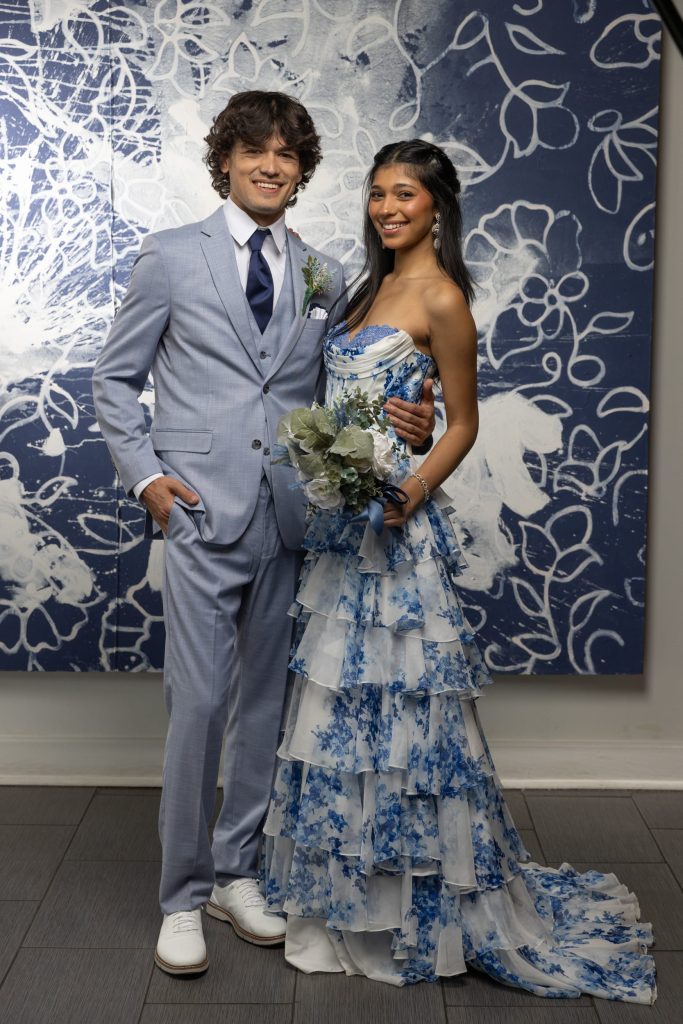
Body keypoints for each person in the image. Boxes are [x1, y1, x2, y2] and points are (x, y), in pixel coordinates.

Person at [262, 139, 657, 1003]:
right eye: (375, 194)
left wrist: (409, 484)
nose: (386, 207)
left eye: (402, 194)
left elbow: (462, 422)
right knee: (338, 710)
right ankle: (337, 906)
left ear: (436, 205)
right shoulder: (364, 289)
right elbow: (355, 400)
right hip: (340, 529)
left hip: (395, 526)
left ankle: (413, 909)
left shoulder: (442, 296)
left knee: (405, 713)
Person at [92, 92, 434, 977]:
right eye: (254, 150)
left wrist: (414, 418)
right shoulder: (171, 257)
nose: (270, 165)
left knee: (260, 712)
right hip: (197, 511)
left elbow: (343, 390)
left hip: (289, 516)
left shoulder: (322, 274)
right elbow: (115, 381)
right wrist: (150, 479)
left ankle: (234, 874)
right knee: (198, 706)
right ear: (227, 159)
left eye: (286, 154)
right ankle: (180, 894)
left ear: (301, 169)